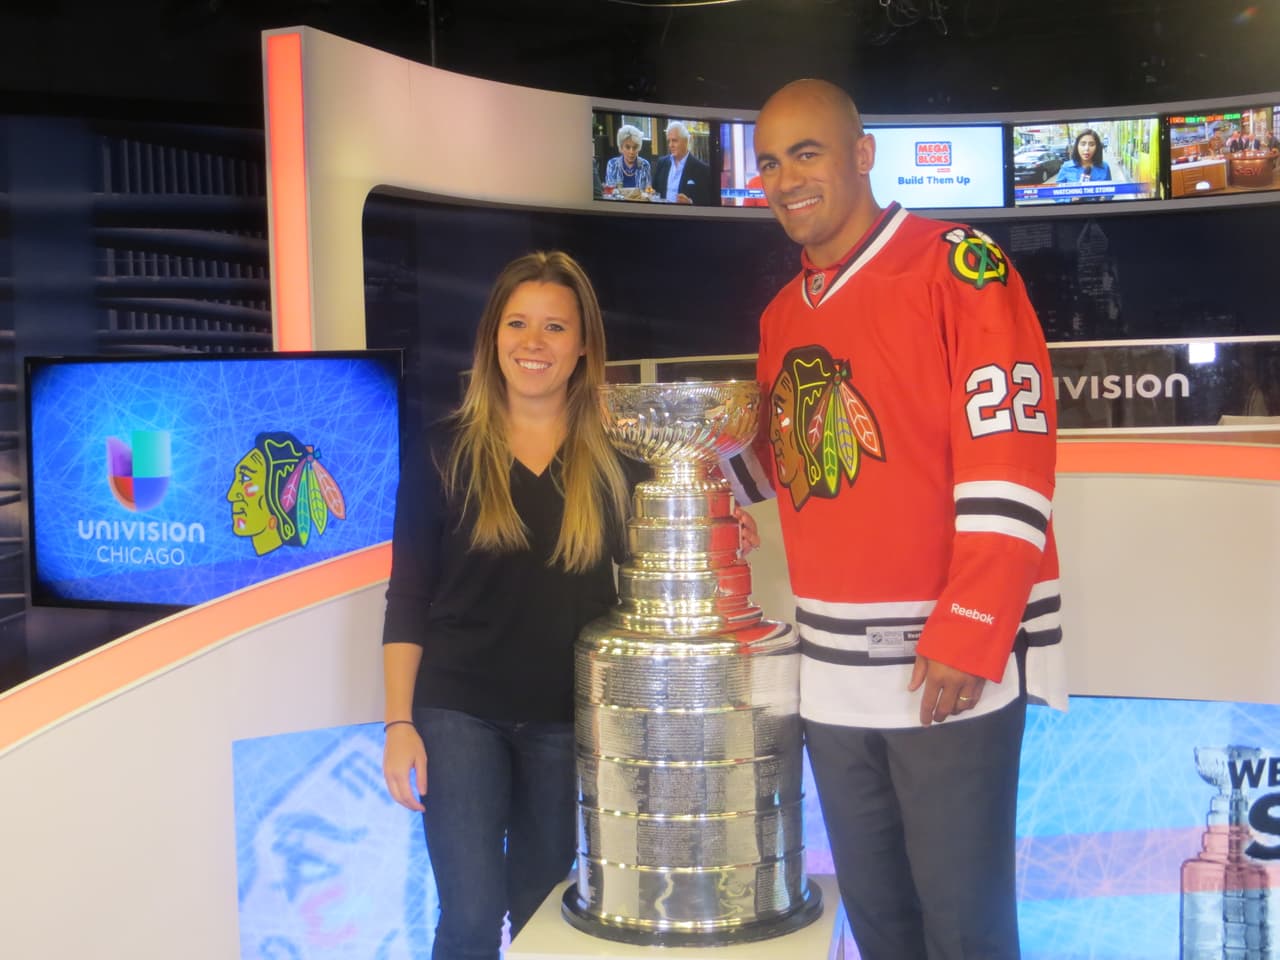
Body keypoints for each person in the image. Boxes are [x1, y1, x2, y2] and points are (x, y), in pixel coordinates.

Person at [723, 79, 1066, 960]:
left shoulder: (956, 267)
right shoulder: (779, 315)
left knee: (964, 929)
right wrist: (705, 477)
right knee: (880, 927)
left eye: (808, 152)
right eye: (769, 162)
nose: (786, 178)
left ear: (863, 154)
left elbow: (1013, 451)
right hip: (830, 673)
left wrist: (977, 620)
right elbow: (785, 466)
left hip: (944, 662)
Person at [380, 251, 637, 960]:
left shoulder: (617, 460)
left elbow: (658, 571)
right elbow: (408, 596)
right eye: (518, 323)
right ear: (492, 336)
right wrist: (399, 723)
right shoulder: (443, 451)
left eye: (555, 327)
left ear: (583, 345)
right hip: (458, 711)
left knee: (541, 912)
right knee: (469, 915)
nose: (534, 343)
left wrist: (718, 525)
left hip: (566, 717)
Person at [652, 120, 714, 205]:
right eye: (669, 141)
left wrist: (690, 203)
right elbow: (654, 191)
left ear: (685, 141)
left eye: (674, 140)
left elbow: (707, 203)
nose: (670, 145)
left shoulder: (702, 169)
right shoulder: (661, 163)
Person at [603, 123, 652, 193]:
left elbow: (648, 191)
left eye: (635, 147)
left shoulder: (645, 165)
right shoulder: (612, 164)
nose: (631, 152)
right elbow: (610, 193)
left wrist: (649, 191)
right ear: (621, 147)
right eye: (628, 147)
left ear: (639, 148)